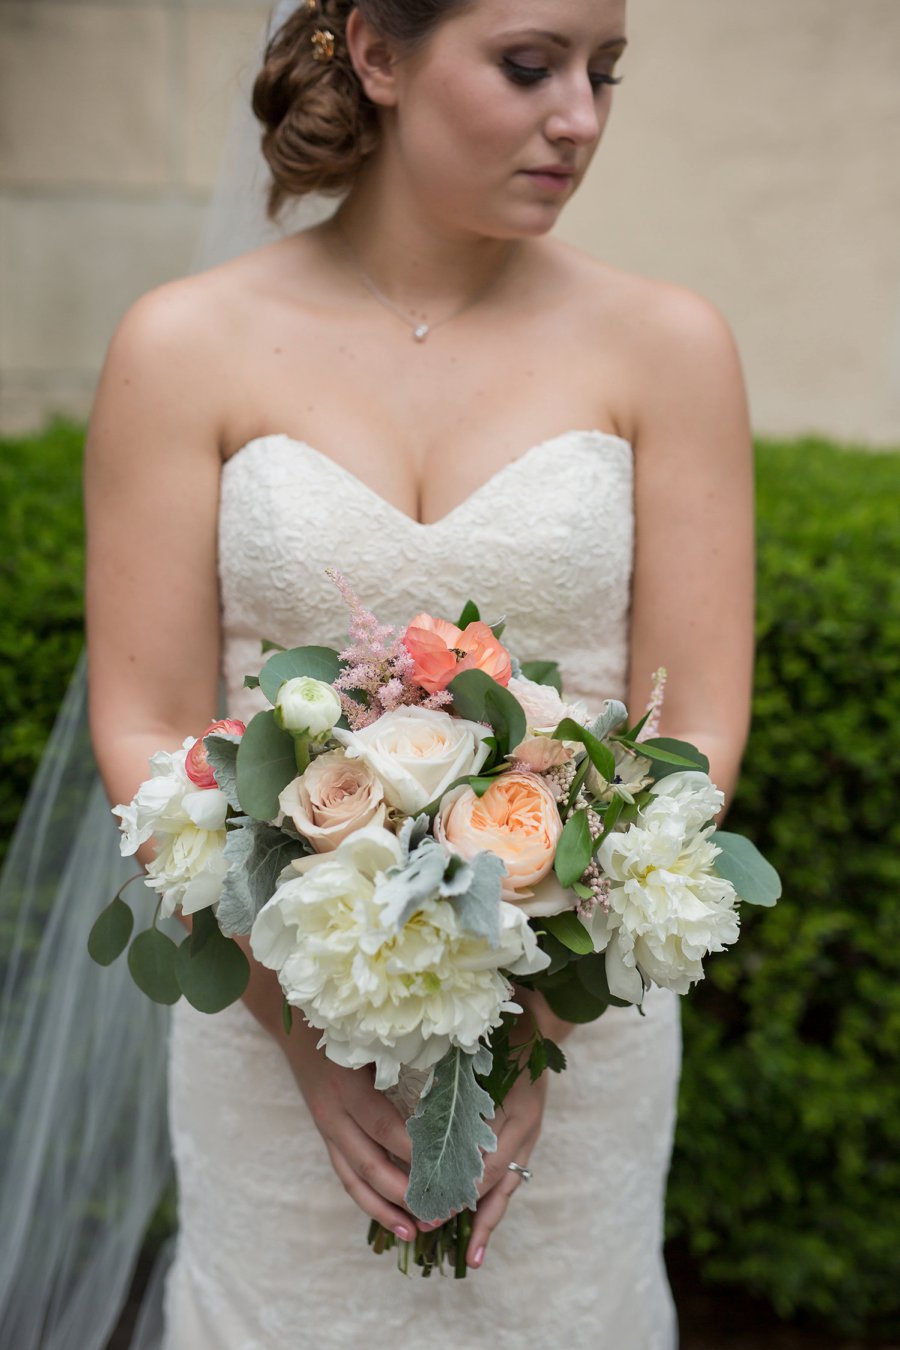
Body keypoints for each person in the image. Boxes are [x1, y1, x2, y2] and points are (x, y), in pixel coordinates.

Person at [83, 0, 754, 1345]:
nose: (580, 117)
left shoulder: (669, 347)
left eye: (603, 72)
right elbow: (149, 725)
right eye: (530, 66)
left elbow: (699, 734)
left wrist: (532, 1039)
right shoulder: (182, 345)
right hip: (274, 1029)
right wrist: (302, 1040)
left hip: (577, 1031)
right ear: (376, 54)